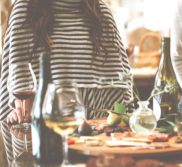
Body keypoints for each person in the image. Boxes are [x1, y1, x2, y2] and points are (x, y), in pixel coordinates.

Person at [1, 0, 134, 125]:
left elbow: (119, 82)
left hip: (95, 122)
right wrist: (21, 110)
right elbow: (19, 74)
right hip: (44, 120)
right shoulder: (26, 9)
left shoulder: (100, 11)